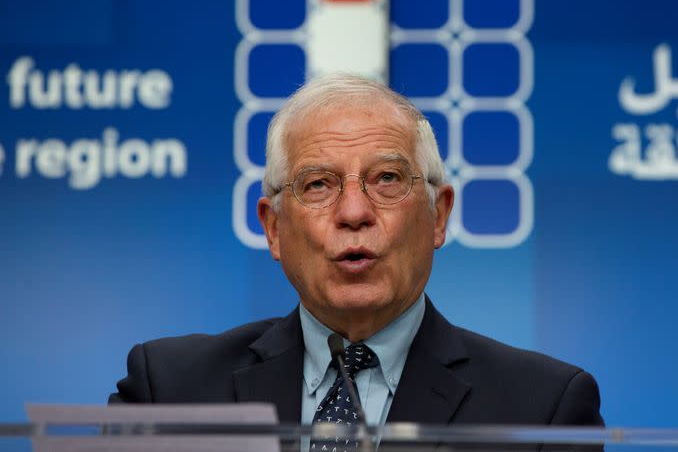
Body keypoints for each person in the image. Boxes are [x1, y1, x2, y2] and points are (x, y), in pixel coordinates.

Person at [110, 73, 603, 430]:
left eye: (386, 178)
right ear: (273, 227)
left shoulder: (543, 407)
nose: (353, 212)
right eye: (318, 184)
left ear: (438, 215)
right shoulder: (169, 390)